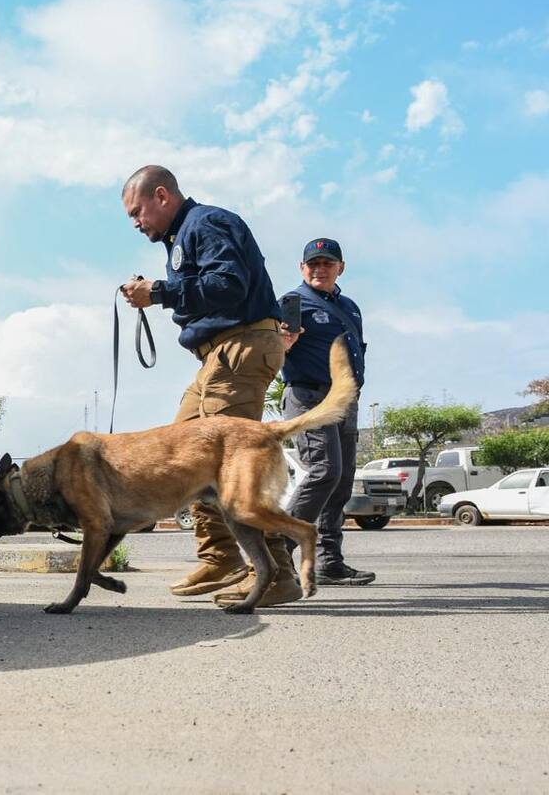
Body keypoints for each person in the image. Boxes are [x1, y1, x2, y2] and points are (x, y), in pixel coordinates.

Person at [119, 165, 299, 608]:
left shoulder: (208, 223)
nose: (137, 223)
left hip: (239, 349)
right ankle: (220, 556)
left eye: (137, 212)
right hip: (218, 358)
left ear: (162, 196)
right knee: (185, 458)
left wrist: (159, 291)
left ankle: (276, 573)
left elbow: (227, 286)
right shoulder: (183, 237)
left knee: (229, 465)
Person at [279, 238, 374, 585]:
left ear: (340, 268)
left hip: (344, 401)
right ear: (302, 268)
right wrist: (283, 342)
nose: (320, 269)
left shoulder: (350, 306)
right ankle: (277, 551)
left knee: (342, 481)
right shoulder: (292, 303)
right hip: (308, 396)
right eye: (313, 264)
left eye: (327, 263)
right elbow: (276, 349)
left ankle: (329, 562)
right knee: (325, 471)